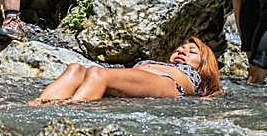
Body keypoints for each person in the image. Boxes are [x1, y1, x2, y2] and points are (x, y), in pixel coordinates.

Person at [28, 38, 221, 104]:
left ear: (204, 64)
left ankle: (71, 107)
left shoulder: (196, 78)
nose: (182, 51)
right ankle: (37, 105)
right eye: (180, 49)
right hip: (141, 79)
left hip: (167, 84)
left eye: (192, 51)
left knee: (97, 73)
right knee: (75, 69)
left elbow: (216, 92)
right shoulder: (159, 62)